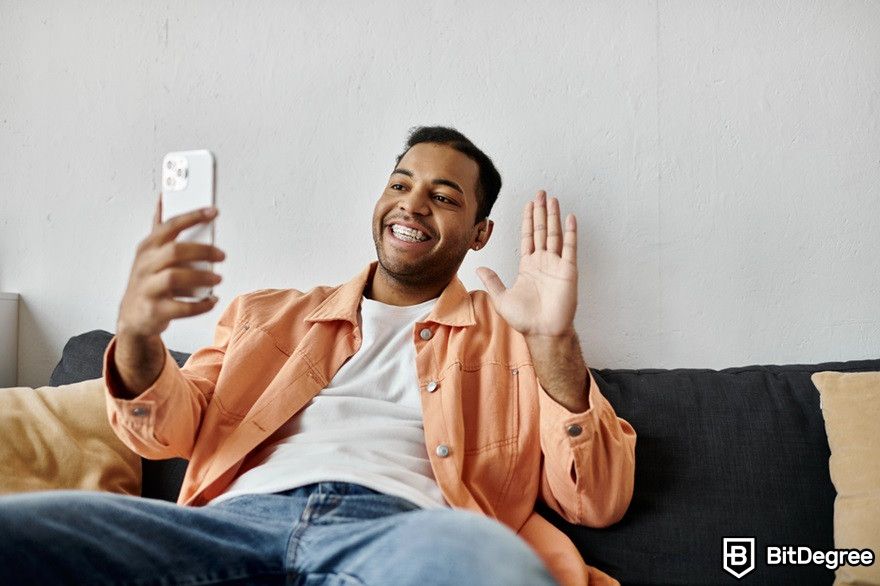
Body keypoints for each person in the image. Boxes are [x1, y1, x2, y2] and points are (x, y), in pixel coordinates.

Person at [0, 126, 636, 585]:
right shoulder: (264, 315)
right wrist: (138, 334)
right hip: (231, 523)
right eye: (401, 184)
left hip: (403, 536)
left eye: (444, 196)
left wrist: (553, 339)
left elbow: (598, 498)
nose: (413, 203)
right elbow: (167, 431)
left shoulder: (517, 340)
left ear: (480, 234)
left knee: (492, 568)